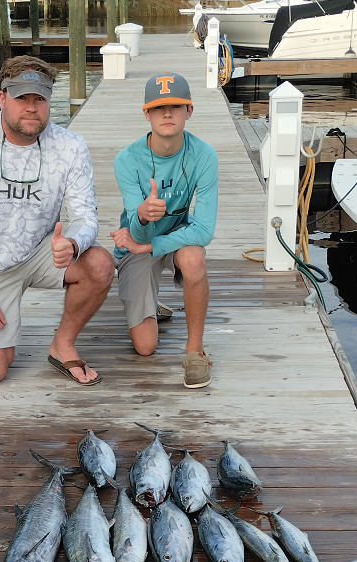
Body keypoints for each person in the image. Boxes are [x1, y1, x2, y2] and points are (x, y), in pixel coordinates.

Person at [0, 56, 114, 386]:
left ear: (48, 102)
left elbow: (84, 216)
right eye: (22, 98)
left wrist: (73, 244)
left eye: (39, 99)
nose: (31, 108)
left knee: (100, 264)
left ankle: (63, 343)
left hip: (41, 252)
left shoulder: (71, 146)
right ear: (2, 98)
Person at [110, 72, 218, 388]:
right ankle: (148, 299)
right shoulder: (126, 160)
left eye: (176, 106)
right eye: (159, 108)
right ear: (147, 113)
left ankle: (194, 352)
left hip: (174, 239)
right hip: (135, 243)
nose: (167, 114)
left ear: (190, 111)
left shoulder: (205, 155)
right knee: (145, 347)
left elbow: (204, 230)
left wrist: (153, 245)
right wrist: (143, 217)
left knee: (195, 258)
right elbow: (138, 236)